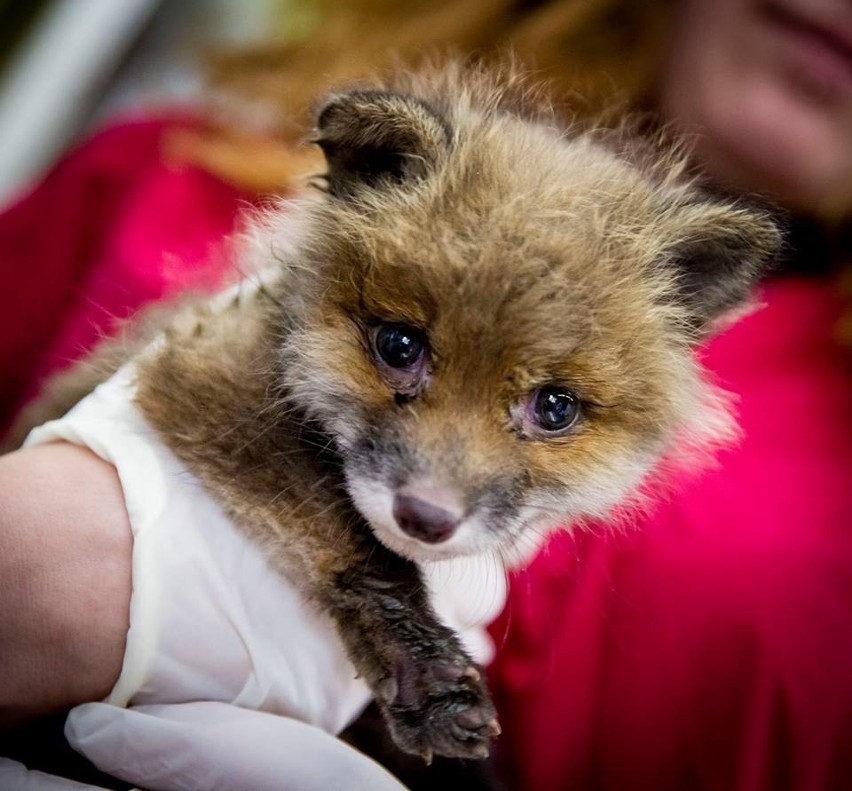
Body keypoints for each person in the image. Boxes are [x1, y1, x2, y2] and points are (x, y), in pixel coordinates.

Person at [0, 0, 850, 788]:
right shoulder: (168, 170)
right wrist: (52, 568)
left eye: (550, 410)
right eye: (399, 350)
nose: (434, 498)